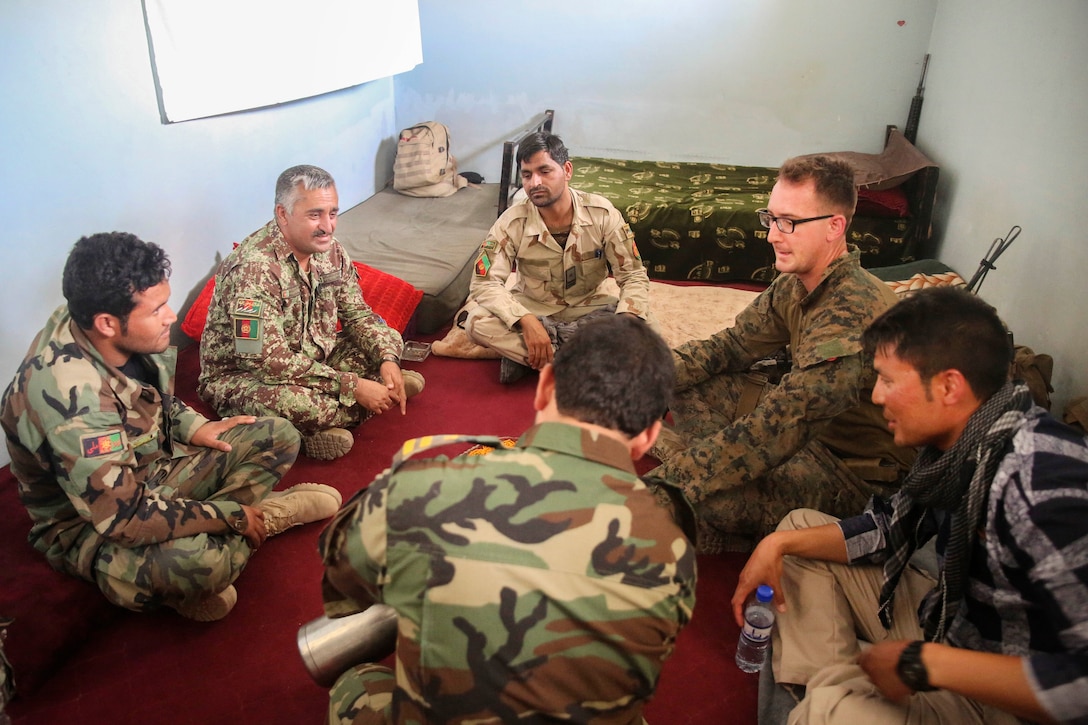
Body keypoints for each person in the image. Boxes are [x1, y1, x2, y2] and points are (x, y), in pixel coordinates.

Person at [732, 287, 1088, 724]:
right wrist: (777, 544)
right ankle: (817, 702)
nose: (877, 396)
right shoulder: (961, 447)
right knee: (797, 534)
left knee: (837, 711)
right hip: (954, 621)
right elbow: (888, 528)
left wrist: (927, 664)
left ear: (948, 386)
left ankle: (830, 708)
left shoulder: (1041, 486)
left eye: (887, 379)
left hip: (1010, 693)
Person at [319, 315, 697, 723]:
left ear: (546, 387)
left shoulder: (421, 490)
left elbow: (343, 569)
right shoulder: (673, 549)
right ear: (649, 436)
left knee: (354, 683)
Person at [0, 233, 341, 622]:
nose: (172, 316)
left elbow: (147, 394)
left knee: (278, 435)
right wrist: (230, 516)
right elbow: (123, 517)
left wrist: (194, 427)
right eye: (158, 309)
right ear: (107, 323)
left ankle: (225, 540)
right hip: (91, 522)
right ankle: (256, 520)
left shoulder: (95, 318)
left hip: (150, 466)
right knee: (202, 566)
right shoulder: (73, 398)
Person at [644, 155, 915, 552]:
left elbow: (778, 428)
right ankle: (704, 477)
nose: (772, 235)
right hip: (806, 436)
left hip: (853, 477)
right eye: (770, 219)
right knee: (689, 382)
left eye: (788, 222)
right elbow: (732, 346)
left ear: (834, 227)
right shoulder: (798, 282)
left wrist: (664, 485)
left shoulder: (853, 313)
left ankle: (729, 526)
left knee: (709, 496)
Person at [198, 165, 424, 460]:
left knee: (385, 337)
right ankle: (323, 425)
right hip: (245, 376)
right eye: (315, 214)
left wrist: (387, 359)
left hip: (312, 358)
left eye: (332, 213)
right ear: (283, 214)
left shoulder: (331, 251)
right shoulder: (255, 269)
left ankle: (371, 392)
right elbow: (266, 361)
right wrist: (352, 385)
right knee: (301, 404)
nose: (328, 226)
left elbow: (358, 315)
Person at [462, 132, 652, 383]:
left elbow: (633, 275)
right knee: (476, 322)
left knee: (647, 330)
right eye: (527, 175)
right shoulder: (511, 221)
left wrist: (626, 323)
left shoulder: (602, 213)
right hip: (534, 306)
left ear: (567, 170)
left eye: (545, 171)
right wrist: (526, 322)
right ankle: (581, 364)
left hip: (588, 306)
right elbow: (484, 283)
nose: (534, 182)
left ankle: (540, 358)